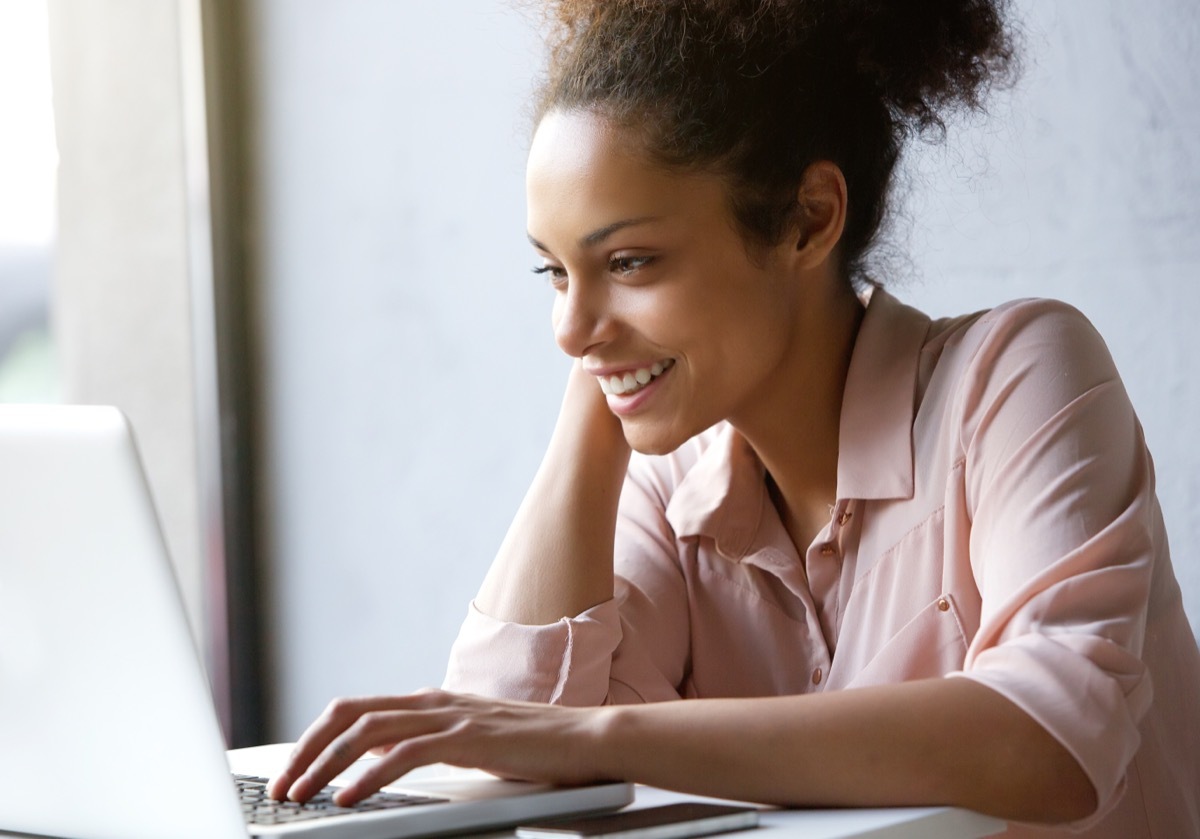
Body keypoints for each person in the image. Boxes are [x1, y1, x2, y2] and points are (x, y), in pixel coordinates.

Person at [267, 1, 1200, 835]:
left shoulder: (1017, 373)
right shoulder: (667, 485)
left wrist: (608, 736)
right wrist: (605, 380)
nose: (567, 327)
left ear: (807, 219)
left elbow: (1054, 736)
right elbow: (505, 750)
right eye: (553, 271)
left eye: (629, 261)